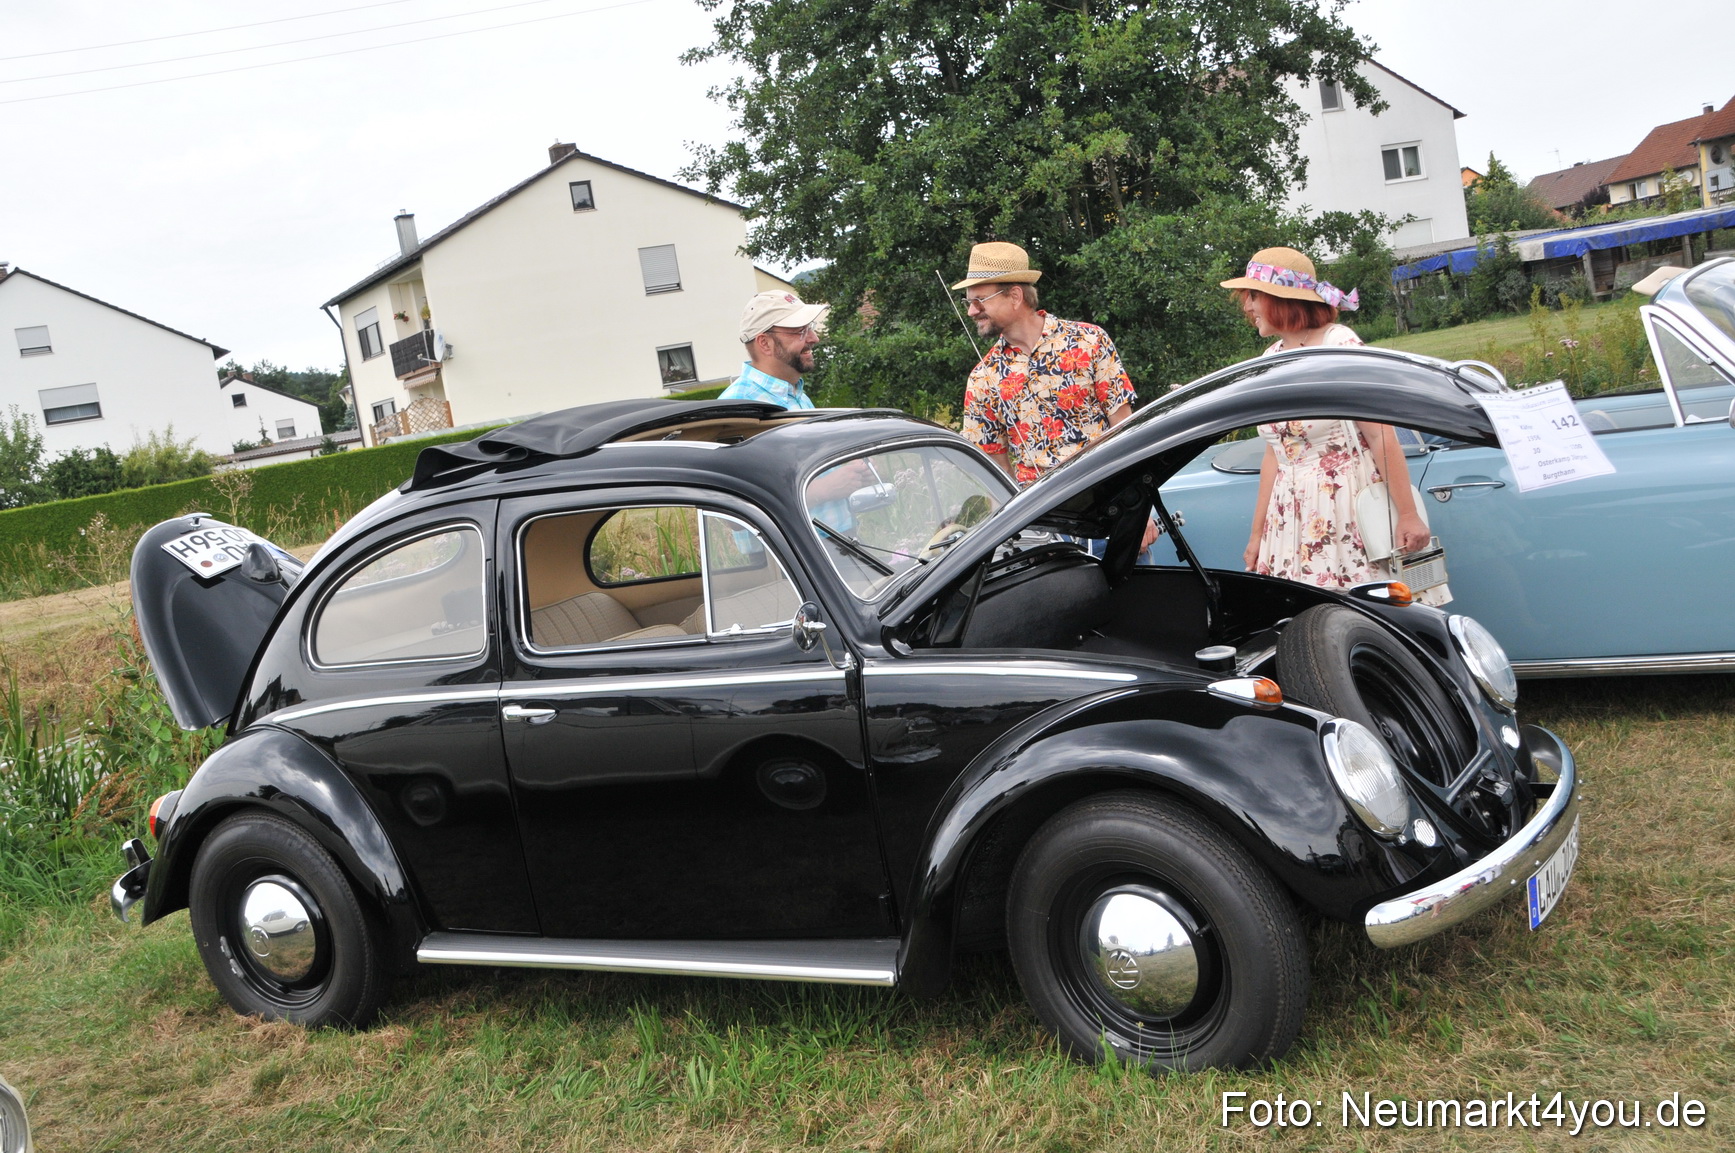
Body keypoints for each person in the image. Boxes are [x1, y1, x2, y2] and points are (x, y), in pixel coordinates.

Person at [1221, 246, 1447, 604]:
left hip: (1344, 507)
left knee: (1364, 615)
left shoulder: (1338, 344)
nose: (1246, 307)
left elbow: (1380, 434)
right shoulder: (1271, 358)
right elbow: (1274, 455)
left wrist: (1408, 514)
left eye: (1251, 297)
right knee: (1308, 621)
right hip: (1288, 517)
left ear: (1280, 299)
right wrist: (1257, 535)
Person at [955, 241, 1158, 554]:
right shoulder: (983, 378)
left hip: (1114, 519)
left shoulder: (1089, 341)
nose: (971, 310)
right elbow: (997, 473)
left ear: (1014, 295)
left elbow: (1128, 431)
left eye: (980, 300)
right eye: (969, 302)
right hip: (1044, 539)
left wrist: (1140, 508)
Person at [718, 290, 830, 408]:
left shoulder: (798, 397)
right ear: (765, 343)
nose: (814, 338)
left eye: (809, 327)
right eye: (800, 330)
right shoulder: (737, 408)